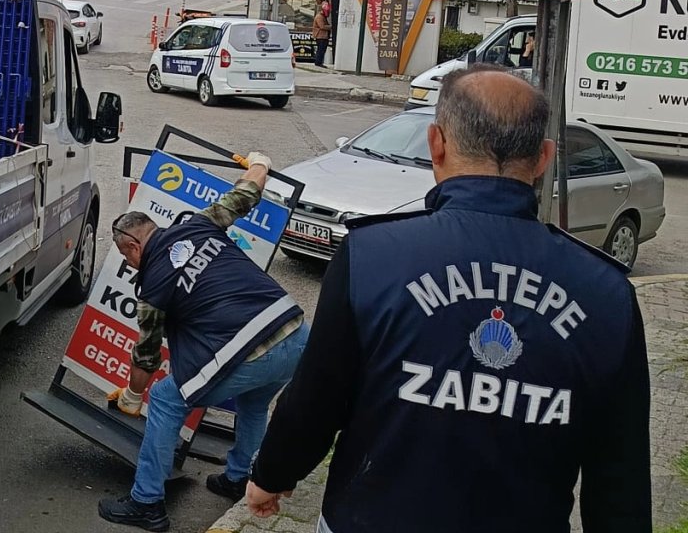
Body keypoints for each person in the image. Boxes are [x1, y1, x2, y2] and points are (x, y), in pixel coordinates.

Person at [246, 66, 651, 533]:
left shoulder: (373, 256)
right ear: (543, 158)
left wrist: (272, 475)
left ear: (435, 143)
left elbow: (317, 398)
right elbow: (620, 475)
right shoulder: (606, 294)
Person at [98, 153, 310, 532]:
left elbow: (146, 357)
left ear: (131, 246)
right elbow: (247, 192)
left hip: (252, 348)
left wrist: (132, 396)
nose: (128, 264)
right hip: (295, 332)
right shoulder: (200, 223)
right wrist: (260, 163)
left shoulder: (152, 287)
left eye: (124, 256)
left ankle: (146, 502)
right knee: (254, 401)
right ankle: (238, 477)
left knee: (165, 399)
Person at [312, 0, 331, 68]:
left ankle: (319, 62)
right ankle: (318, 62)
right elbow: (322, 26)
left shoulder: (322, 16)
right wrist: (331, 27)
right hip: (321, 36)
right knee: (321, 50)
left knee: (322, 50)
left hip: (323, 36)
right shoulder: (319, 17)